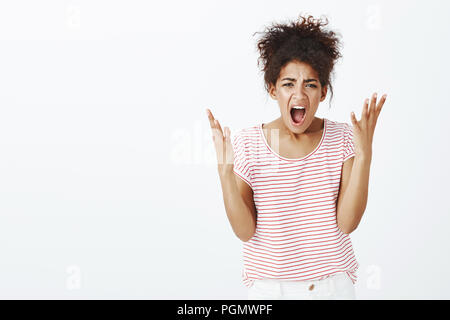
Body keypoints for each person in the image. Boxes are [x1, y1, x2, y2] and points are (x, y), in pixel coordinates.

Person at [206, 14, 387, 300]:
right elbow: (244, 231)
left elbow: (348, 223)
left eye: (311, 85)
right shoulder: (249, 142)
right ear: (273, 89)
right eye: (289, 84)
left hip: (333, 288)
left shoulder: (342, 139)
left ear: (324, 91)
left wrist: (364, 156)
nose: (299, 93)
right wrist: (225, 175)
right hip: (268, 290)